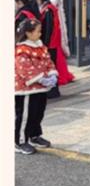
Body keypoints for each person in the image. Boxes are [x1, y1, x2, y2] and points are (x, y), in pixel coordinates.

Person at [15, 18, 57, 154]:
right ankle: (19, 141)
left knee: (38, 112)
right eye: (38, 31)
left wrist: (52, 74)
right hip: (26, 89)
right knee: (25, 116)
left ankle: (34, 135)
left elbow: (48, 61)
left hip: (40, 87)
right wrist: (42, 79)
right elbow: (24, 69)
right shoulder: (21, 49)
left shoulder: (40, 46)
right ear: (28, 33)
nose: (40, 33)